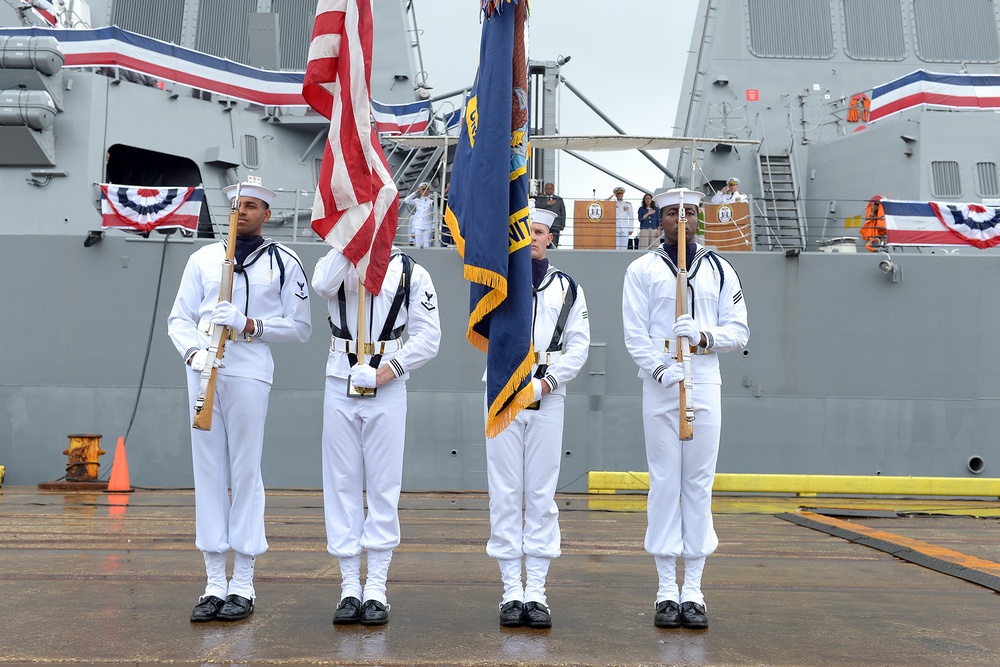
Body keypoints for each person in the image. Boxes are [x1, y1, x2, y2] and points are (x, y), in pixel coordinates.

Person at [167, 179, 313, 623]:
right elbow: (179, 318)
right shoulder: (203, 259)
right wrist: (194, 352)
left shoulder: (285, 262)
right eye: (236, 206)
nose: (242, 212)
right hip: (204, 371)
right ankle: (213, 581)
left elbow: (300, 327)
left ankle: (244, 582)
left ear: (267, 214)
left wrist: (250, 324)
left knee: (245, 472)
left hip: (249, 370)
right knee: (208, 471)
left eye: (251, 206)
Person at [621, 187, 749, 630]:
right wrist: (660, 369)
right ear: (659, 219)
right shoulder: (641, 269)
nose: (681, 219)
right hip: (662, 383)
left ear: (699, 218)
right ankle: (664, 590)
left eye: (689, 212)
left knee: (698, 482)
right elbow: (633, 333)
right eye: (672, 212)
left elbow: (740, 331)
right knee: (663, 482)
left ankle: (693, 588)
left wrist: (702, 336)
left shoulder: (719, 269)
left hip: (705, 377)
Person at [312, 243, 441, 626]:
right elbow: (322, 284)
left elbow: (428, 338)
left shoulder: (411, 272)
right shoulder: (336, 260)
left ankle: (377, 589)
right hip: (341, 378)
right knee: (341, 484)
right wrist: (348, 246)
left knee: (384, 486)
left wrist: (387, 371)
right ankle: (349, 586)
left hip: (386, 383)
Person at [484, 204, 590, 629]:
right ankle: (511, 590)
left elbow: (579, 345)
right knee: (505, 492)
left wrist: (547, 383)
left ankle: (538, 593)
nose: (533, 237)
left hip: (548, 393)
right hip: (501, 392)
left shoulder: (569, 287)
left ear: (550, 238)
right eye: (525, 230)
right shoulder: (497, 281)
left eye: (541, 231)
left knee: (541, 496)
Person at [402, 182, 436, 248]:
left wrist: (433, 227)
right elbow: (406, 200)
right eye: (423, 190)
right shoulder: (417, 201)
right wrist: (415, 193)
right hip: (418, 226)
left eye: (426, 189)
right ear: (420, 191)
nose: (425, 191)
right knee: (418, 245)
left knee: (427, 245)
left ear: (428, 190)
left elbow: (434, 215)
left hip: (428, 226)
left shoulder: (431, 202)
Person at [533, 182, 566, 248]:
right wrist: (547, 203)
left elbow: (563, 212)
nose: (549, 190)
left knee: (554, 244)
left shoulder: (559, 199)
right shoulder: (540, 198)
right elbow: (536, 206)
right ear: (545, 189)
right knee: (544, 243)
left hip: (556, 224)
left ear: (553, 189)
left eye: (550, 188)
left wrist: (563, 224)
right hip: (543, 224)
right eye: (547, 188)